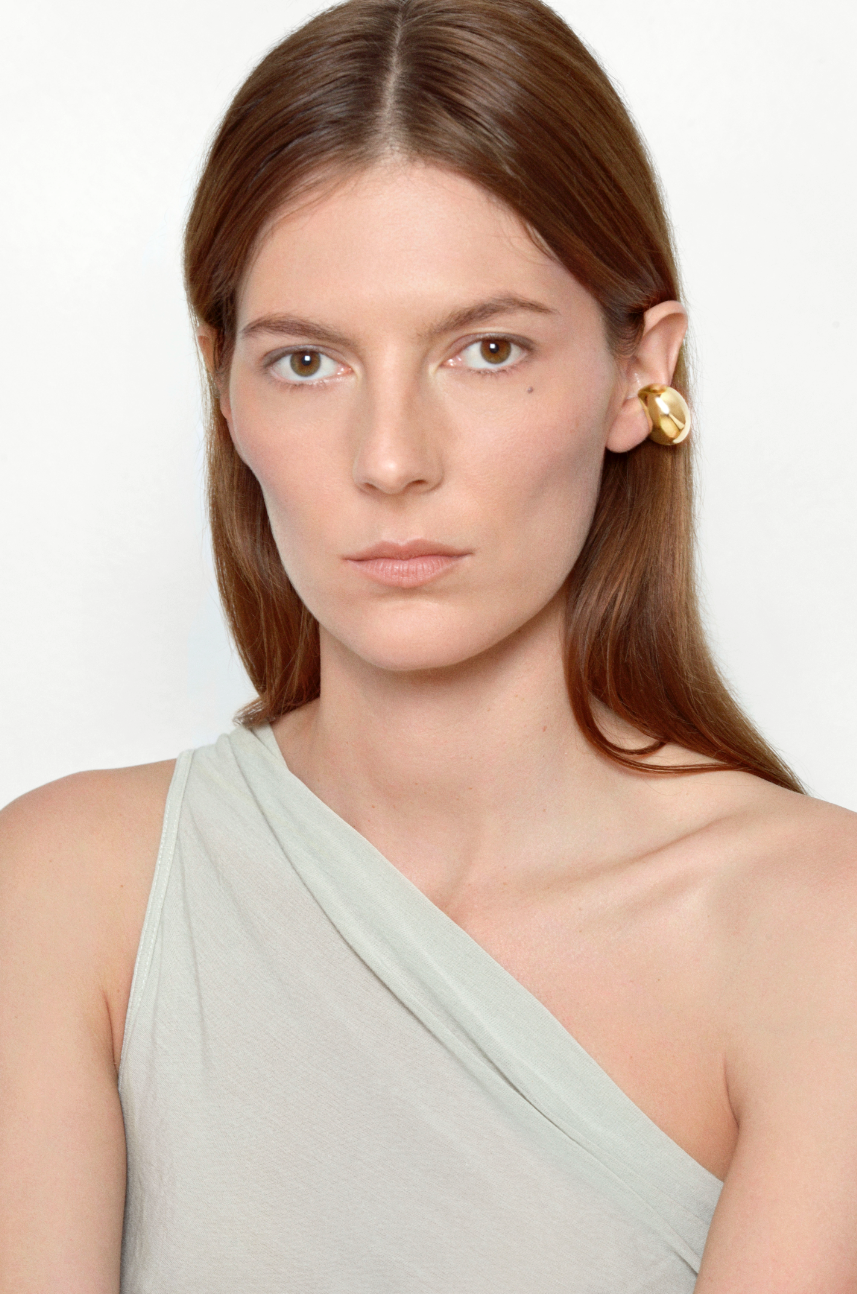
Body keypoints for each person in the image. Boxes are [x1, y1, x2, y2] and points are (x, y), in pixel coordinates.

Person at [1, 0, 855, 1289]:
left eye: (486, 349)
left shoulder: (818, 935)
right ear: (222, 383)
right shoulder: (65, 896)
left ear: (642, 373)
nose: (392, 459)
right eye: (308, 363)